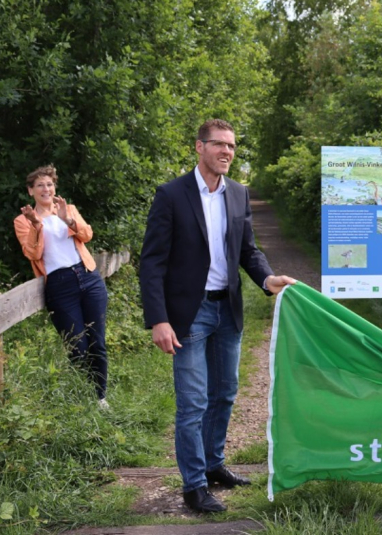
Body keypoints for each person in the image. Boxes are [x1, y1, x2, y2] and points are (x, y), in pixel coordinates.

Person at [139, 119, 297, 514]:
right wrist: (159, 319)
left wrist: (267, 277)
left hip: (227, 309)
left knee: (224, 393)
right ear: (199, 147)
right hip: (187, 315)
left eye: (232, 146)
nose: (227, 151)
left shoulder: (239, 194)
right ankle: (193, 486)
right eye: (219, 145)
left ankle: (212, 465)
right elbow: (152, 262)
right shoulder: (172, 195)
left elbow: (248, 250)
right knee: (192, 403)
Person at [13, 165, 111, 409]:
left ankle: (100, 397)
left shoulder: (68, 209)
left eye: (49, 184)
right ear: (30, 191)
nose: (46, 189)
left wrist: (67, 218)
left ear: (54, 187)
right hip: (59, 285)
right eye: (40, 185)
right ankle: (83, 398)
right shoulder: (23, 220)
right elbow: (33, 253)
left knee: (97, 341)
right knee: (77, 346)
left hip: (87, 277)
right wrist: (36, 225)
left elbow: (87, 235)